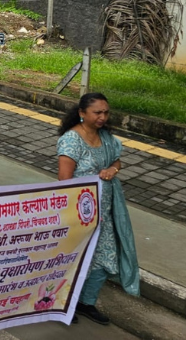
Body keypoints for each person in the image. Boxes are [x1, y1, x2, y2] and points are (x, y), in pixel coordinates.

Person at [57, 93, 139, 325]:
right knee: (76, 259)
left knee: (104, 258)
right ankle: (64, 304)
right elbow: (64, 180)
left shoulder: (106, 137)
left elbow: (116, 160)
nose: (103, 117)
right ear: (82, 113)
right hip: (80, 215)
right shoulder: (72, 140)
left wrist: (113, 169)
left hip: (106, 213)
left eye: (106, 112)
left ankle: (86, 302)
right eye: (97, 112)